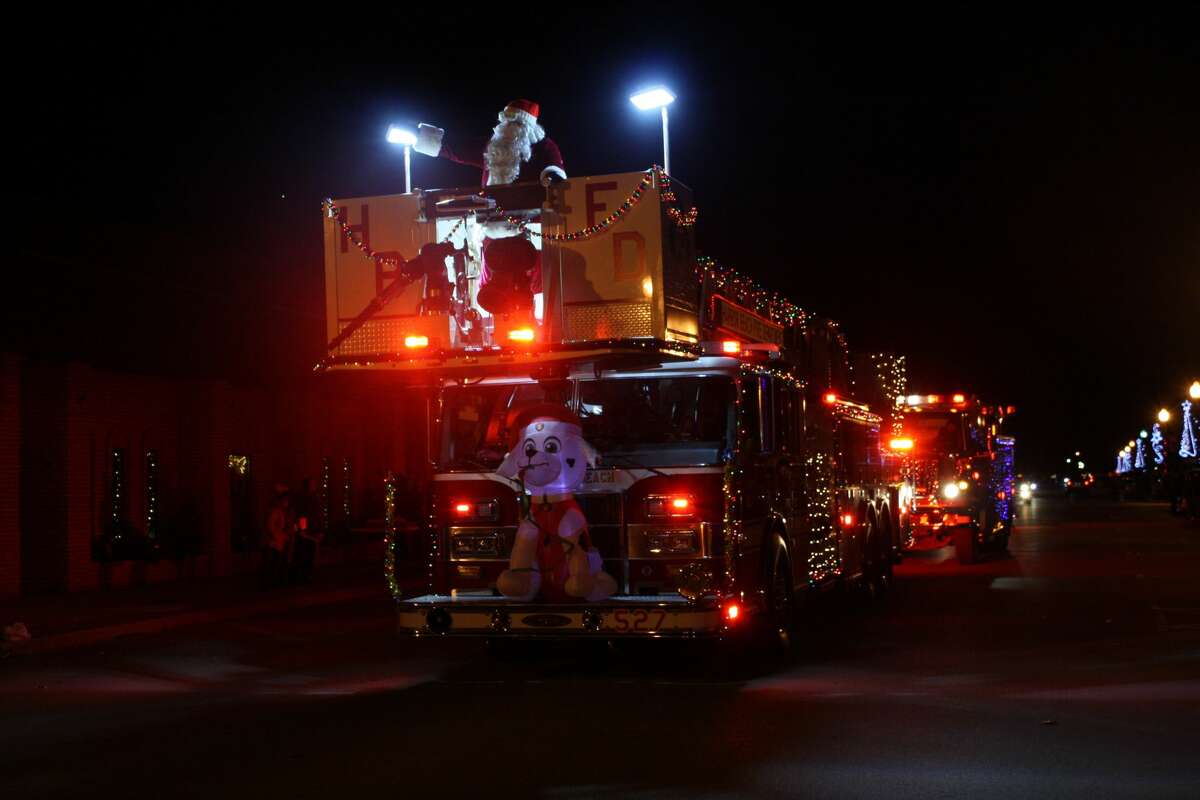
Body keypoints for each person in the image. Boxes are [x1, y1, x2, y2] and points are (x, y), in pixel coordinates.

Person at [413, 99, 566, 187]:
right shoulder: (493, 147)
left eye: (512, 123)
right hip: (492, 222)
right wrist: (419, 136)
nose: (506, 126)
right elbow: (457, 148)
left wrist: (552, 177)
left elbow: (555, 169)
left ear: (525, 127)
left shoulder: (544, 146)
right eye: (505, 122)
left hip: (531, 223)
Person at [290, 477, 323, 584]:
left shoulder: (314, 498)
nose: (314, 486)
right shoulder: (303, 498)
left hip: (311, 529)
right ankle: (302, 575)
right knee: (304, 553)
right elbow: (302, 514)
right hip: (306, 531)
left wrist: (319, 529)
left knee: (309, 553)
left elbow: (317, 515)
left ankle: (306, 574)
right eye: (312, 484)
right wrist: (302, 530)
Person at [262, 487, 293, 588]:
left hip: (278, 542)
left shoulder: (281, 512)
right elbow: (270, 526)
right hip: (274, 543)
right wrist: (279, 536)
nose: (287, 503)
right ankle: (271, 583)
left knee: (276, 563)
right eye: (285, 501)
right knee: (274, 564)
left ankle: (274, 582)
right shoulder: (275, 511)